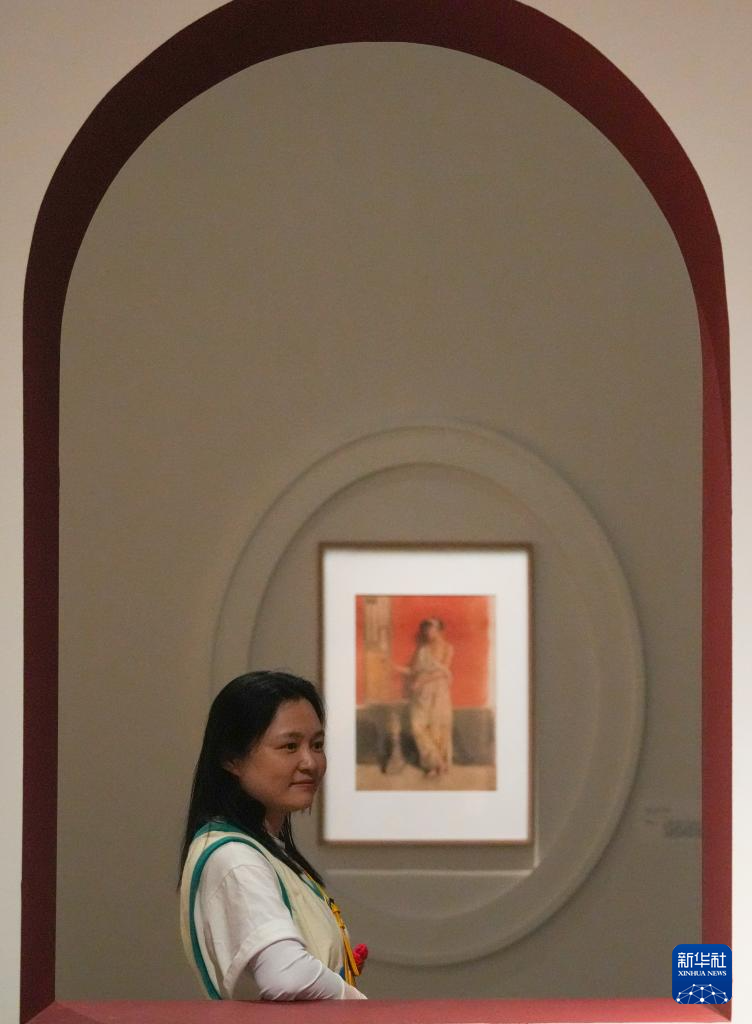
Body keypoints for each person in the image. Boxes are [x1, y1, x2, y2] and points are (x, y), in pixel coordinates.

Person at [179, 670, 367, 1001]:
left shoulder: (262, 848)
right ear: (231, 758)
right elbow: (287, 976)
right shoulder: (234, 857)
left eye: (317, 745)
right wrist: (356, 1004)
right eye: (289, 746)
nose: (310, 762)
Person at [395, 618, 454, 776]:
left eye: (432, 629)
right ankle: (436, 763)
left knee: (437, 726)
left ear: (439, 630)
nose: (428, 632)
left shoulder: (447, 648)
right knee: (417, 725)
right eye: (426, 629)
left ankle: (436, 766)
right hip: (421, 692)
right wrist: (395, 668)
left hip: (439, 691)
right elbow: (413, 670)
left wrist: (421, 681)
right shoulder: (422, 650)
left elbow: (443, 671)